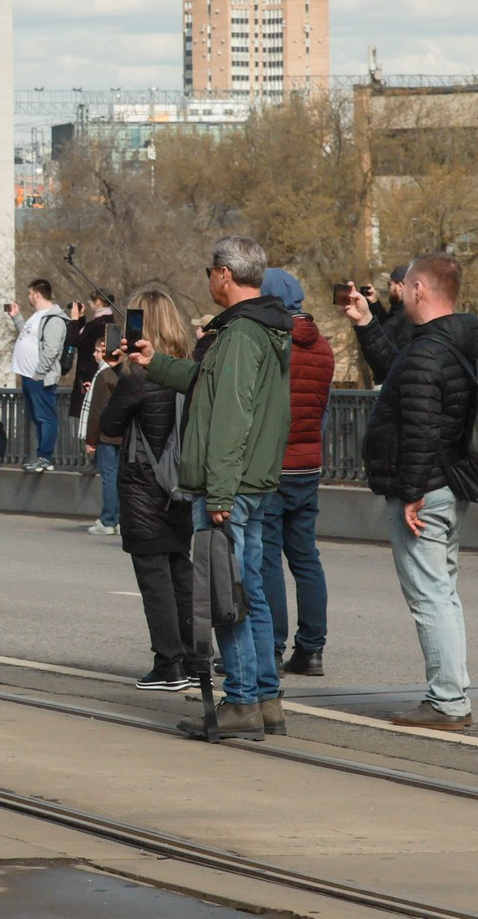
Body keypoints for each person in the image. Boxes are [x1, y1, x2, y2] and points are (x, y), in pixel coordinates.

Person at [128, 236, 293, 741]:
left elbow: (230, 417)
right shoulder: (259, 328)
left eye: (209, 271)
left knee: (227, 595)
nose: (209, 279)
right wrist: (155, 363)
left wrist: (218, 494)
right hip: (252, 484)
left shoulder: (241, 334)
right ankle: (264, 699)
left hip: (230, 488)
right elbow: (207, 383)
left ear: (224, 274)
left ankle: (241, 701)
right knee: (251, 593)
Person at [343, 254, 478, 729]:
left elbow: (420, 426)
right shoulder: (449, 343)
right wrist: (366, 324)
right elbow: (397, 375)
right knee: (443, 592)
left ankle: (446, 700)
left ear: (419, 289)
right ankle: (453, 688)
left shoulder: (427, 351)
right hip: (447, 483)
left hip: (426, 489)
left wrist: (411, 492)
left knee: (429, 597)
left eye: (406, 288)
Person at [97, 287, 195, 689]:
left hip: (144, 490)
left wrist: (118, 371)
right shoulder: (188, 370)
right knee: (180, 573)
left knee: (154, 580)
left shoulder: (137, 379)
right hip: (182, 489)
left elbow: (109, 426)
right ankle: (192, 658)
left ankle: (168, 664)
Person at [262, 269, 333, 680]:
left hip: (274, 464)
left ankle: (271, 646)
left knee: (268, 558)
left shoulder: (272, 344)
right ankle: (311, 649)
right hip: (309, 463)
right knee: (305, 558)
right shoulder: (322, 347)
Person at [2, 280, 69, 469]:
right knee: (36, 415)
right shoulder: (37, 316)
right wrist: (16, 317)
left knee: (45, 416)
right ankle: (40, 456)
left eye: (30, 294)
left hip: (39, 377)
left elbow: (51, 350)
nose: (29, 297)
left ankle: (45, 456)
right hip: (29, 376)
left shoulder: (54, 319)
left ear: (37, 294)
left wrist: (38, 374)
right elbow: (27, 336)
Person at [80, 341, 123, 537]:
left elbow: (96, 411)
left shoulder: (102, 375)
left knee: (109, 478)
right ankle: (121, 520)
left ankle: (108, 520)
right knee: (122, 478)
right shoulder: (127, 373)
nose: (96, 355)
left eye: (99, 351)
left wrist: (91, 439)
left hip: (106, 435)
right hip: (124, 433)